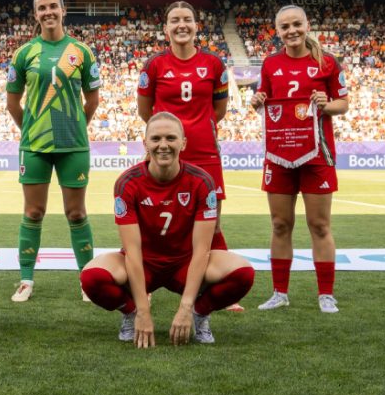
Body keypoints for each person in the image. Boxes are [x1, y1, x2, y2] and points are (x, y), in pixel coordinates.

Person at [80, 113, 254, 347]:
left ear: (183, 143)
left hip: (186, 263)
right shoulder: (127, 182)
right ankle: (129, 314)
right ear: (145, 143)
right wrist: (142, 311)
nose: (163, 145)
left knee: (243, 273)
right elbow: (132, 251)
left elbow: (202, 250)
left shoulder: (202, 181)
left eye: (171, 138)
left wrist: (187, 307)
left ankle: (200, 314)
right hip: (144, 264)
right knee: (91, 278)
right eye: (156, 139)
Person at [136, 0, 244, 312]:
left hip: (205, 154)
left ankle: (219, 290)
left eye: (187, 19)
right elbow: (147, 113)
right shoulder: (154, 65)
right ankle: (145, 281)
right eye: (174, 20)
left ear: (196, 25)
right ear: (165, 28)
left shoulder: (214, 64)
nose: (181, 25)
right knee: (152, 221)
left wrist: (194, 133)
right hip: (164, 156)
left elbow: (219, 110)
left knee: (213, 223)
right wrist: (168, 141)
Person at [250, 5, 349, 314]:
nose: (291, 31)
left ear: (307, 25)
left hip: (317, 154)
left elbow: (343, 104)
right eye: (284, 26)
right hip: (279, 153)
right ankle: (280, 292)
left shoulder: (328, 62)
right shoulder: (270, 64)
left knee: (319, 225)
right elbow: (265, 102)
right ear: (277, 31)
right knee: (280, 224)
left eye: (296, 24)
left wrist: (327, 104)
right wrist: (256, 101)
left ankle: (326, 294)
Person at [5, 0, 100, 302]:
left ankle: (87, 281)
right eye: (41, 8)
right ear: (35, 14)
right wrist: (31, 129)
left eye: (53, 7)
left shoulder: (81, 52)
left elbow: (93, 98)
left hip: (73, 145)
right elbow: (12, 101)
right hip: (34, 146)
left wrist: (74, 127)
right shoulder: (24, 54)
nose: (48, 12)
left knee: (76, 213)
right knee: (33, 212)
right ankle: (26, 280)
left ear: (63, 10)